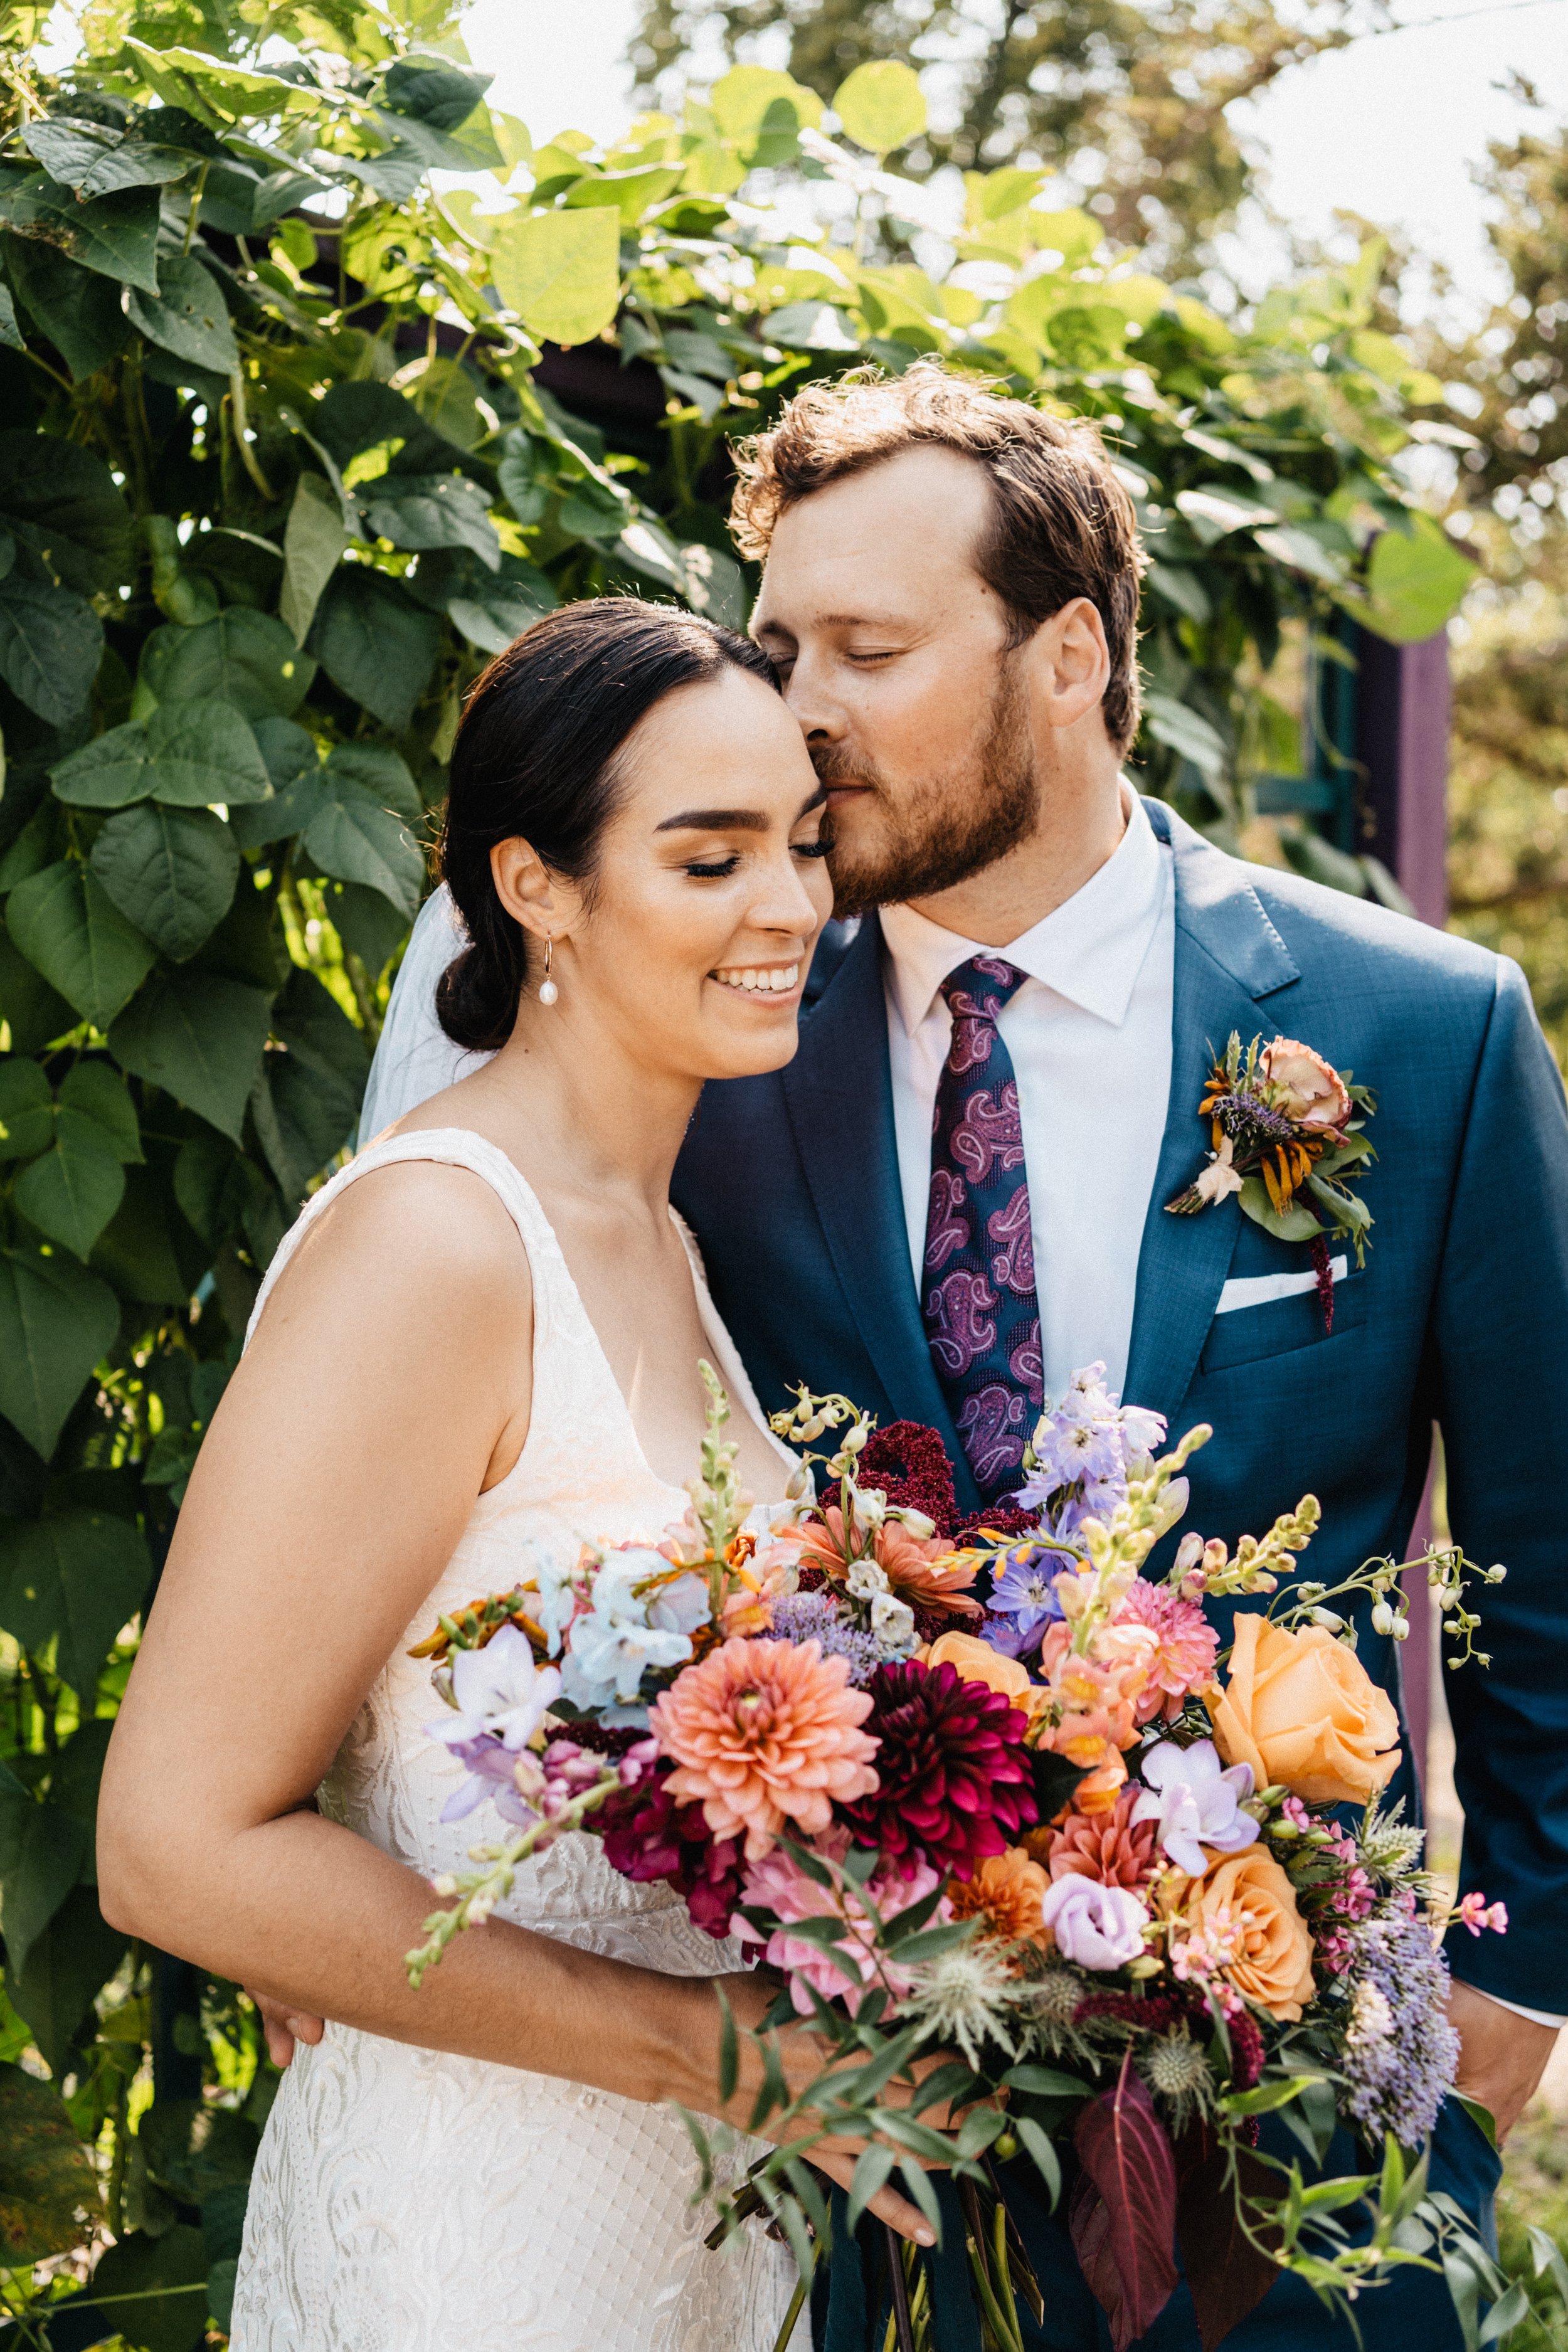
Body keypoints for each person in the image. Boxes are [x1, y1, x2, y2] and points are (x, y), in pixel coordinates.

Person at [358, 365, 1568, 2351]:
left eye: (867, 647)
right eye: (774, 645)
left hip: (1293, 2106)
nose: (796, 707)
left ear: (1070, 652)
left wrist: (1518, 1962)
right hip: (845, 2121)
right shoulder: (710, 1050)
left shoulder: (1415, 1033)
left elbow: (1542, 1549)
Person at [96, 599, 938, 2352]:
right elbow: (174, 1847)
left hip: (701, 2218)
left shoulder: (662, 1246)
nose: (788, 907)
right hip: (476, 2237)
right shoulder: (437, 1246)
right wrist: (710, 2052)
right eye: (706, 860)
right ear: (537, 886)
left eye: (799, 843)